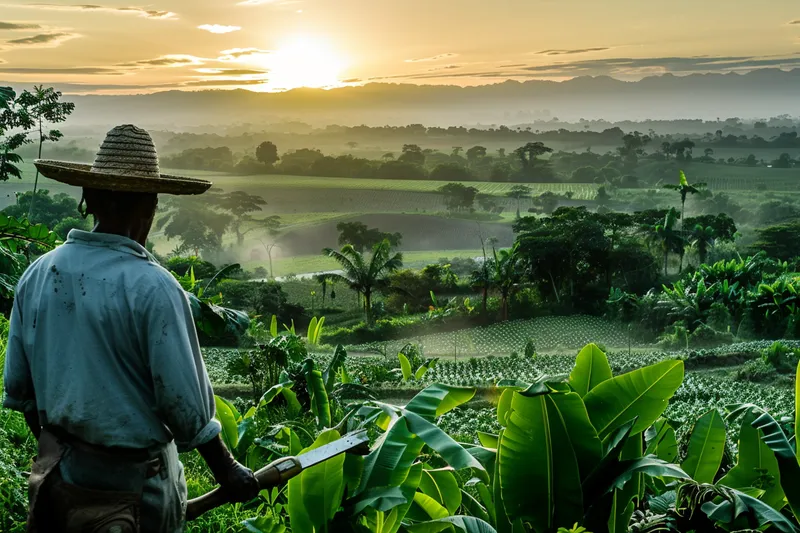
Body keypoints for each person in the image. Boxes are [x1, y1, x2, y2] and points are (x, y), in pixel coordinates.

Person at [2, 124, 259, 532]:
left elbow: (19, 390)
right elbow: (185, 407)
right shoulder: (153, 287)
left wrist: (62, 452)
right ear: (151, 206)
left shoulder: (38, 273)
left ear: (89, 199)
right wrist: (228, 470)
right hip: (137, 489)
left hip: (59, 481)